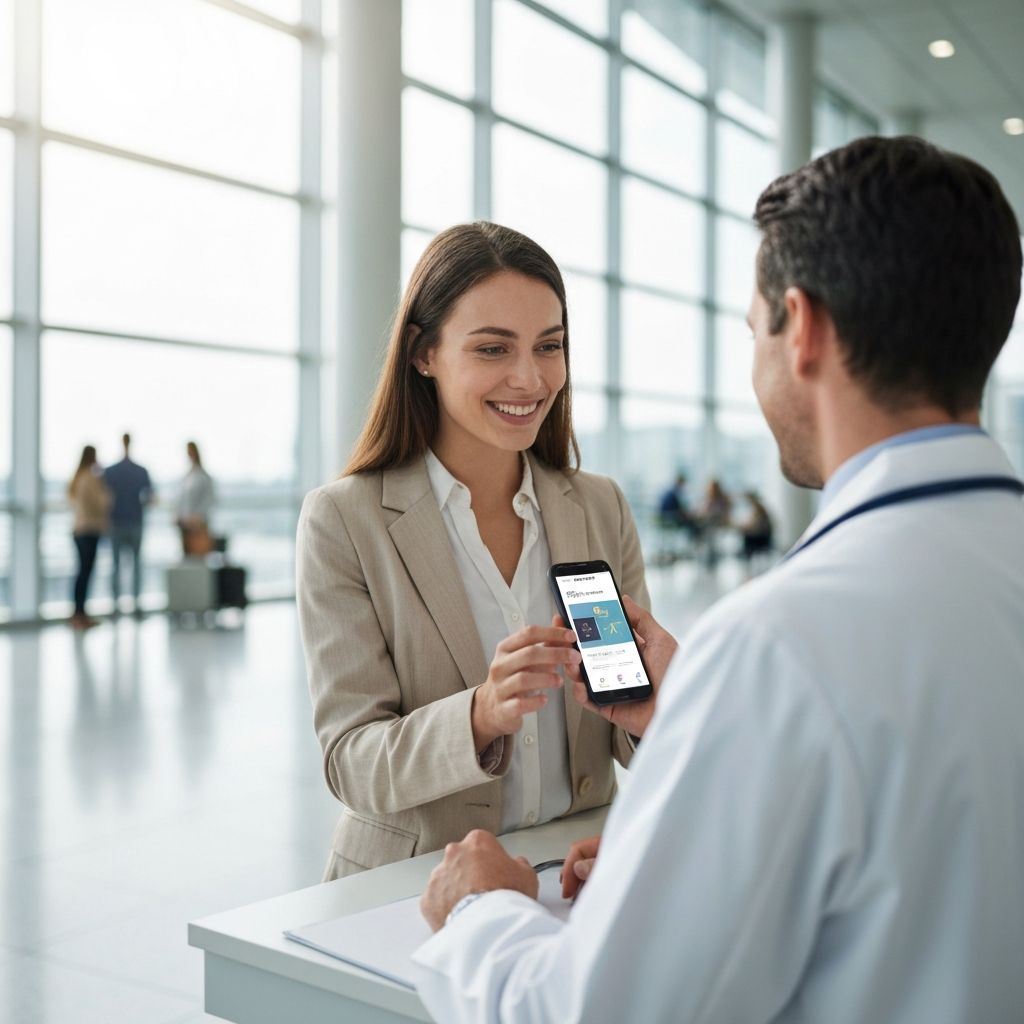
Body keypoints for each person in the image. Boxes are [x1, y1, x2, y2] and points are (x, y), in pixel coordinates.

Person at [413, 137, 1024, 1022]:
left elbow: (599, 1012)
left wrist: (478, 909)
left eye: (754, 330)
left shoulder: (783, 647)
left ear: (803, 328)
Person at [296, 222, 650, 880]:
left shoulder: (600, 507)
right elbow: (351, 760)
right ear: (424, 353)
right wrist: (480, 716)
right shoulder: (345, 520)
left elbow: (633, 735)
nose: (529, 378)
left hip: (580, 875)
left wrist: (654, 711)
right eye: (492, 349)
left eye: (550, 346)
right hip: (412, 886)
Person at [103, 432, 155, 614]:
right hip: (133, 522)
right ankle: (136, 604)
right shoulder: (140, 471)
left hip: (117, 523)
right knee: (136, 565)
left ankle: (116, 605)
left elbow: (103, 498)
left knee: (117, 566)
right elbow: (150, 497)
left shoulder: (110, 472)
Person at [67, 445, 112, 630]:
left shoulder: (77, 477)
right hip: (89, 530)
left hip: (79, 529)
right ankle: (80, 615)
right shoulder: (91, 478)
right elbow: (101, 503)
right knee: (85, 573)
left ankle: (78, 614)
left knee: (81, 573)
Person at [177, 440, 215, 557]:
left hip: (199, 525)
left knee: (199, 558)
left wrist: (198, 516)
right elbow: (181, 501)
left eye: (190, 452)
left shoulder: (204, 477)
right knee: (186, 557)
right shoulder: (187, 476)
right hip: (185, 523)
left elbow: (209, 499)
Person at [736, 489, 773, 567]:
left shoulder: (758, 510)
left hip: (762, 539)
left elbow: (755, 526)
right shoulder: (758, 509)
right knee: (746, 534)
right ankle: (745, 556)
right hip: (763, 537)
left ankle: (746, 557)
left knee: (747, 536)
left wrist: (744, 528)